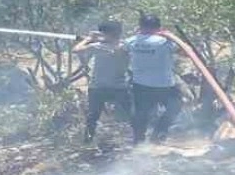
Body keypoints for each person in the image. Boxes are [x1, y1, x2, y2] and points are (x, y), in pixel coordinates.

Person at [124, 14, 182, 145]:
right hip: (164, 84)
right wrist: (170, 36)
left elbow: (124, 48)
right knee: (175, 106)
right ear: (158, 27)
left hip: (140, 84)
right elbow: (183, 52)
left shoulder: (131, 41)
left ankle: (138, 140)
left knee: (141, 113)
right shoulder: (165, 42)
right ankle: (159, 132)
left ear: (140, 26)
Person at [73, 20, 131, 144]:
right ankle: (138, 139)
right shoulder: (125, 45)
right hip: (118, 87)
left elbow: (77, 49)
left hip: (99, 87)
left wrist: (88, 39)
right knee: (129, 114)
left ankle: (87, 141)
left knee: (92, 117)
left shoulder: (97, 46)